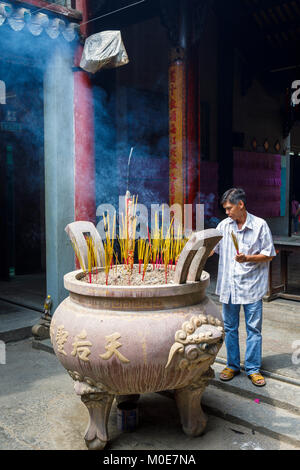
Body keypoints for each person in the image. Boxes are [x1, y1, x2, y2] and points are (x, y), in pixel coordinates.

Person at [210, 188, 276, 387]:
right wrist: (198, 248)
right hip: (229, 286)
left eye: (230, 208)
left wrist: (247, 258)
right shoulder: (224, 226)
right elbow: (213, 250)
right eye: (225, 209)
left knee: (253, 329)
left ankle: (253, 368)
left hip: (252, 286)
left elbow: (269, 254)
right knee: (230, 328)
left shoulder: (259, 225)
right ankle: (232, 365)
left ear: (241, 204)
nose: (227, 212)